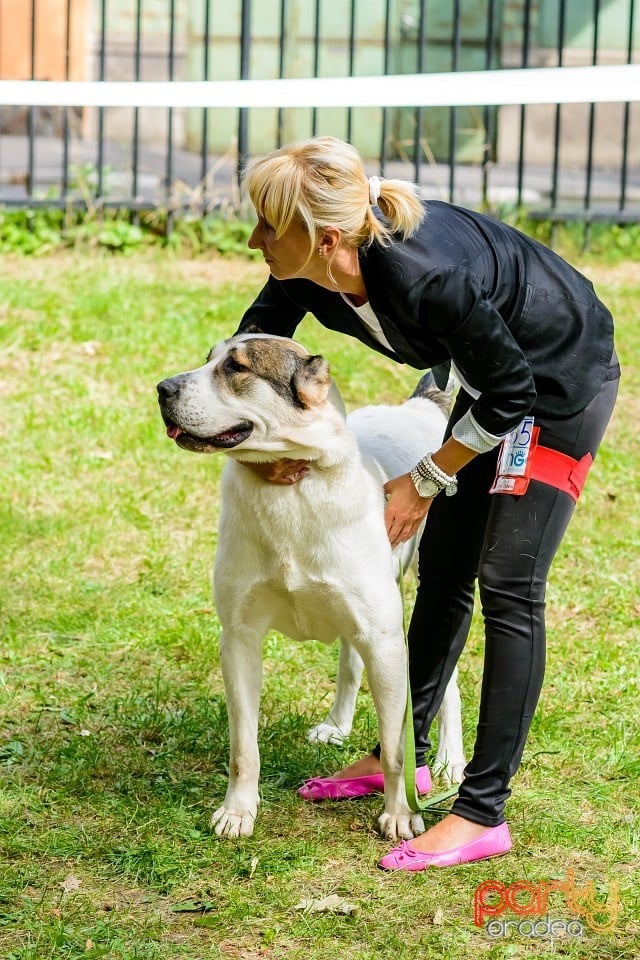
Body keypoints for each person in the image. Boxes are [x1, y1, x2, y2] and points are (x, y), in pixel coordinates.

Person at [234, 136, 619, 871]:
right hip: (493, 379)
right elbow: (252, 348)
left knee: (509, 581)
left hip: (559, 378)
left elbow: (515, 394)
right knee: (445, 570)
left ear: (326, 237)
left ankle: (482, 813)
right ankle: (398, 759)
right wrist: (263, 437)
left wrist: (425, 478)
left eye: (267, 226)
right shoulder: (306, 272)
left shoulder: (424, 277)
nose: (255, 240)